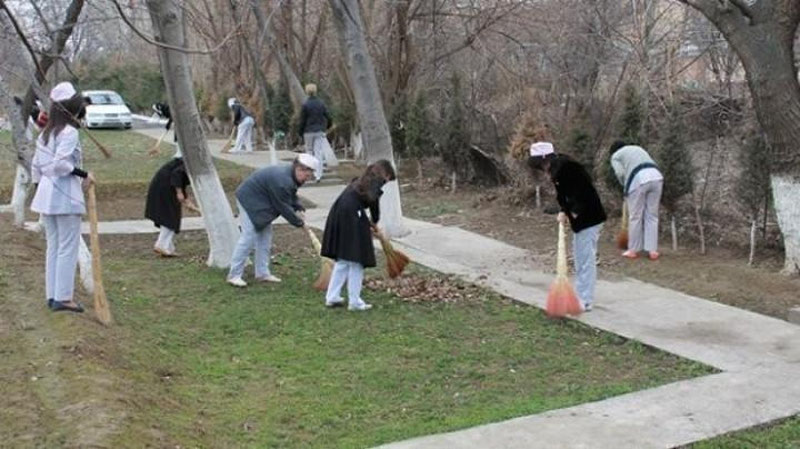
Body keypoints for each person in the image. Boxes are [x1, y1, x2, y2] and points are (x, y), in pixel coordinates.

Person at [30, 81, 95, 313]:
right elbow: (60, 164)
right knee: (67, 247)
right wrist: (84, 174)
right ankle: (63, 298)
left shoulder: (45, 134)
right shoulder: (69, 133)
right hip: (64, 195)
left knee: (55, 246)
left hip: (47, 195)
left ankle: (53, 295)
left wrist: (40, 188)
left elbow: (36, 167)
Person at [528, 137, 606, 312]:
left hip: (589, 216)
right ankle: (581, 296)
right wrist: (564, 210)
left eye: (540, 165)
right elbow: (566, 195)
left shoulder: (567, 169)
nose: (542, 170)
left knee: (585, 259)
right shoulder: (559, 171)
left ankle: (585, 300)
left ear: (545, 160)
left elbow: (583, 190)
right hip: (584, 218)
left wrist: (574, 210)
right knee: (581, 258)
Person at [227, 154, 320, 287]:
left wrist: (299, 207)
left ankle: (262, 273)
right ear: (300, 168)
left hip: (262, 201)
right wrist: (299, 223)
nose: (307, 179)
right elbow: (283, 207)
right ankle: (234, 275)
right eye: (307, 176)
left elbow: (291, 194)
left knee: (265, 238)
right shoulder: (282, 180)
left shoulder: (291, 175)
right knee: (249, 237)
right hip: (249, 200)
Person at [321, 160, 396, 311]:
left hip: (340, 212)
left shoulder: (362, 180)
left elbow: (364, 201)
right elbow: (374, 204)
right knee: (357, 260)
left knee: (343, 259)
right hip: (352, 215)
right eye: (388, 179)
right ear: (386, 174)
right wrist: (374, 222)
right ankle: (354, 302)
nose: (386, 182)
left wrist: (369, 223)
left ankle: (332, 296)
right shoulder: (376, 181)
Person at [609, 140, 664, 260]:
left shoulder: (615, 156)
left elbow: (620, 173)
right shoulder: (638, 148)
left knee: (635, 216)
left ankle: (633, 250)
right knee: (652, 216)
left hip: (638, 179)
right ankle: (652, 251)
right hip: (657, 176)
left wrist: (625, 187)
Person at [144, 156, 199, 257]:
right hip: (165, 187)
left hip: (164, 186)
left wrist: (187, 201)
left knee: (169, 216)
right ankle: (161, 245)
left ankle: (168, 247)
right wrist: (179, 192)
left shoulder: (188, 160)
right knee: (171, 216)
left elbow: (181, 181)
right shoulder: (192, 161)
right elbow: (177, 174)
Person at [298, 84, 332, 181]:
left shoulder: (305, 105)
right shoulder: (321, 104)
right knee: (318, 153)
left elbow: (302, 120)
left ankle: (309, 174)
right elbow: (328, 116)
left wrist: (300, 132)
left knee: (309, 152)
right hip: (319, 131)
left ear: (306, 92)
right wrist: (327, 127)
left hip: (308, 131)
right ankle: (318, 174)